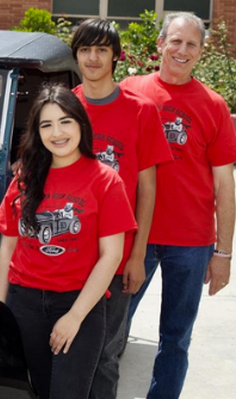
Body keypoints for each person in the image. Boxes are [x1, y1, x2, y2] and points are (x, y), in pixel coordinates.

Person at [0, 84, 137, 399]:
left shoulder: (106, 179)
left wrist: (74, 317)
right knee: (41, 392)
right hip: (25, 304)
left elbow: (111, 256)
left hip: (79, 303)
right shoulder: (26, 177)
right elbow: (7, 248)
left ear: (81, 124)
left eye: (65, 121)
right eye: (46, 124)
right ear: (37, 132)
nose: (57, 132)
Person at [121, 12, 236, 398]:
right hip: (132, 236)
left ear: (201, 52)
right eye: (175, 41)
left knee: (176, 338)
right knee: (110, 332)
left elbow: (224, 183)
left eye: (191, 44)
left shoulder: (214, 106)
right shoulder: (130, 90)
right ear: (160, 45)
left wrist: (224, 253)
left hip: (190, 242)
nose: (182, 50)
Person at [70, 18, 172, 399]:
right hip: (66, 251)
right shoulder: (64, 105)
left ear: (116, 56)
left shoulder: (141, 110)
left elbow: (148, 187)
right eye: (85, 50)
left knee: (107, 354)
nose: (93, 58)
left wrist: (138, 254)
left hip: (115, 255)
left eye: (101, 50)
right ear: (76, 55)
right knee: (61, 348)